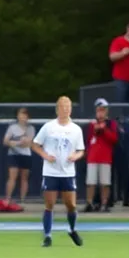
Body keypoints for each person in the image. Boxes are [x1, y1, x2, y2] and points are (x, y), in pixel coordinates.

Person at [30, 96, 85, 248]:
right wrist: (45, 156)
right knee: (49, 204)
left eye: (68, 106)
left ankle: (72, 229)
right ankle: (47, 236)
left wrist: (76, 156)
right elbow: (35, 144)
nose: (65, 109)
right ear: (57, 109)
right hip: (51, 172)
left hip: (67, 172)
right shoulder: (49, 127)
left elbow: (81, 150)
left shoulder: (76, 129)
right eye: (62, 106)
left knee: (71, 204)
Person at [85, 98, 120, 212]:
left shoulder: (111, 124)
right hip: (93, 157)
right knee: (91, 182)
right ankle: (89, 203)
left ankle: (104, 204)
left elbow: (114, 139)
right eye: (98, 110)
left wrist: (104, 129)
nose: (100, 113)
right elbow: (89, 140)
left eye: (103, 110)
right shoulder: (92, 124)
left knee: (105, 183)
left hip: (105, 157)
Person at [3, 107, 36, 205]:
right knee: (12, 177)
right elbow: (5, 141)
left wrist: (14, 142)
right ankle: (7, 199)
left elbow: (28, 143)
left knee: (24, 178)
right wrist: (13, 142)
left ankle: (22, 200)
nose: (23, 117)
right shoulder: (12, 127)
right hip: (13, 155)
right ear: (17, 116)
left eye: (25, 115)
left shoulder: (31, 128)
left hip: (26, 155)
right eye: (21, 114)